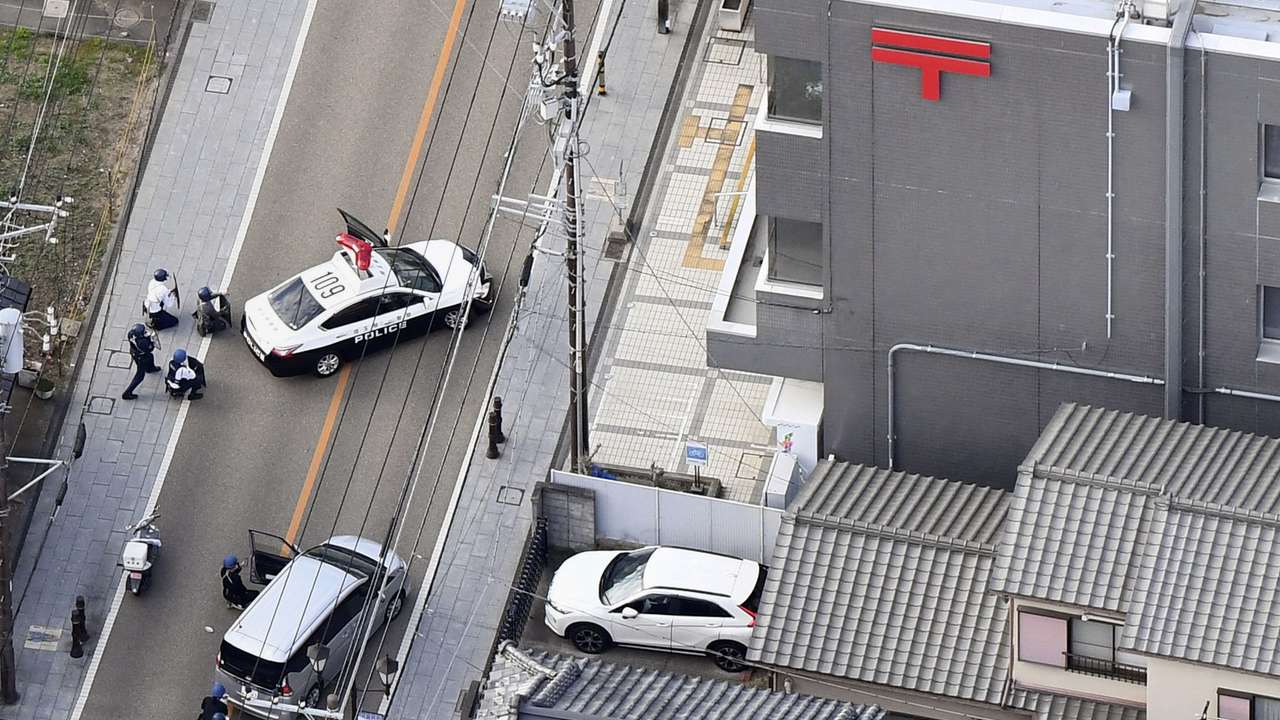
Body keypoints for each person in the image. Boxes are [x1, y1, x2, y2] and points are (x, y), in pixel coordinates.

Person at [121, 324, 161, 401]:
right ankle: (127, 393)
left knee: (150, 356)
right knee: (140, 375)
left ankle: (150, 368)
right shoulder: (142, 342)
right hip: (141, 357)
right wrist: (151, 341)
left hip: (135, 352)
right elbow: (150, 348)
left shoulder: (131, 334)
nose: (145, 332)